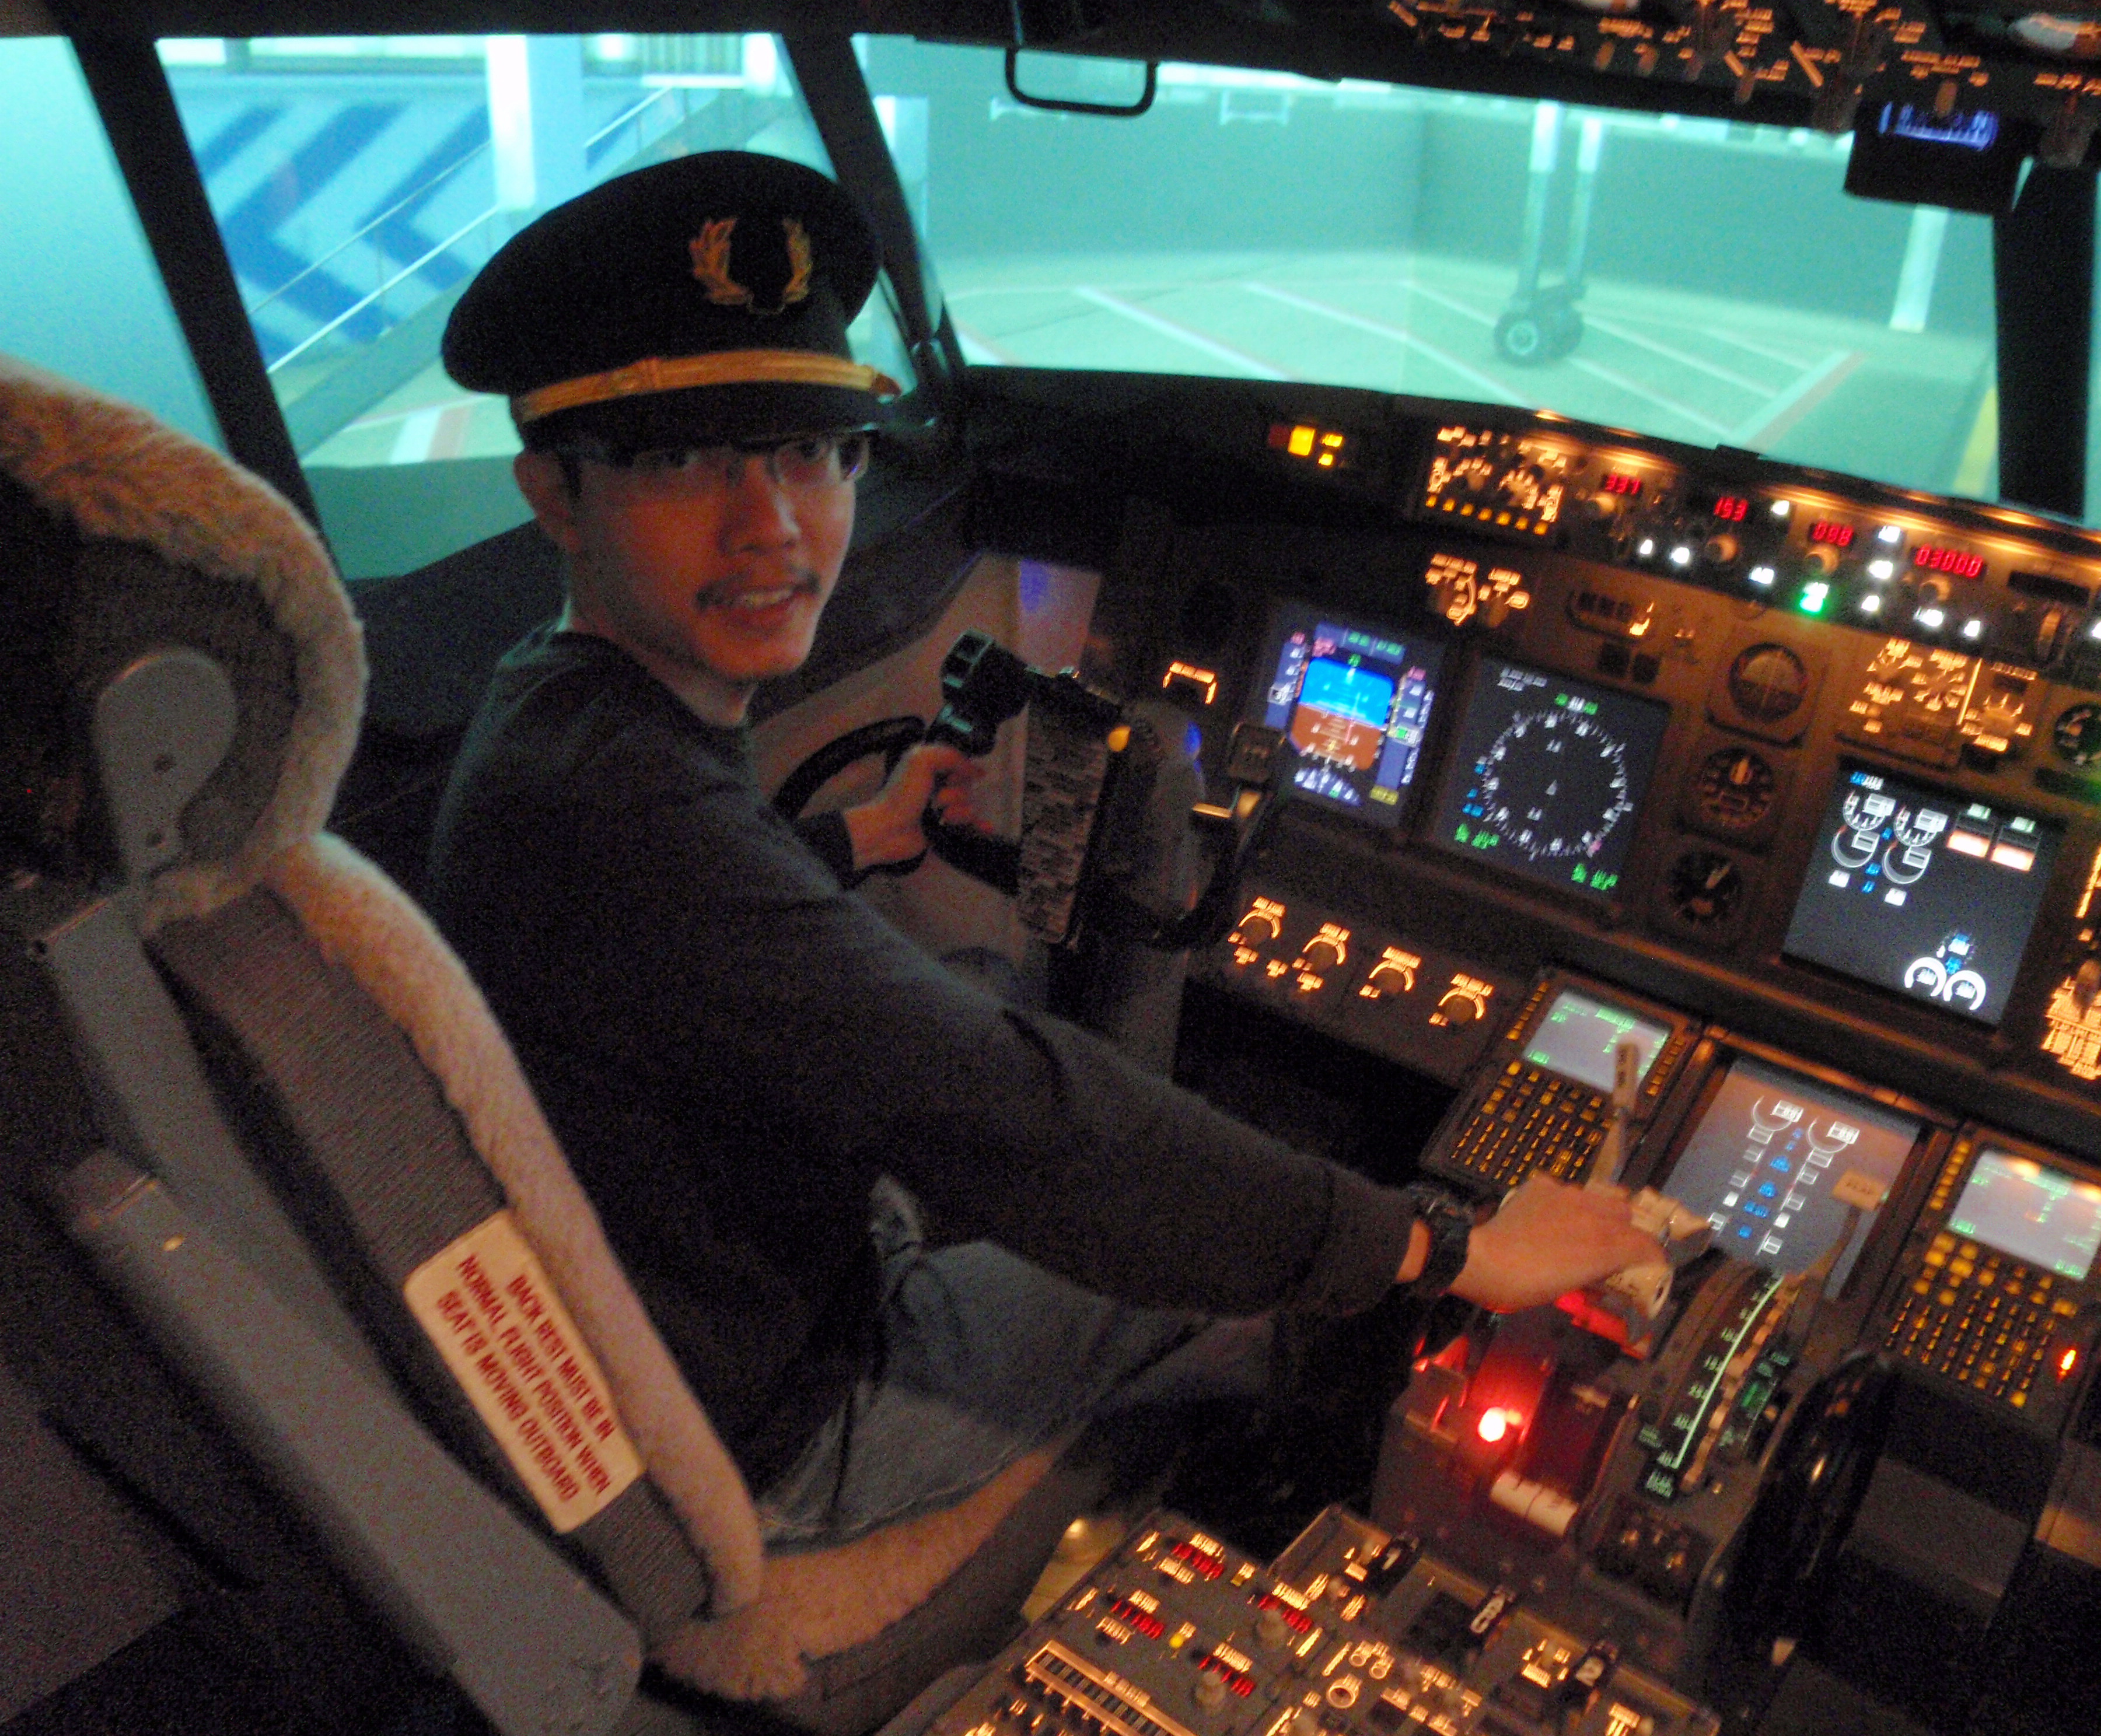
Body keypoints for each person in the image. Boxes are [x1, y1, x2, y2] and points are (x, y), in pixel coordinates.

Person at [424, 152, 1661, 1552]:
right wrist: (1449, 1246)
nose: (770, 525)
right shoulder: (619, 812)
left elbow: (685, 933)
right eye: (683, 460)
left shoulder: (563, 716)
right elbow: (1016, 1114)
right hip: (785, 1416)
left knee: (1022, 1036)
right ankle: (1290, 1495)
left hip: (719, 1287)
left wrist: (855, 836)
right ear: (554, 494)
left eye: (810, 452)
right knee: (1211, 1255)